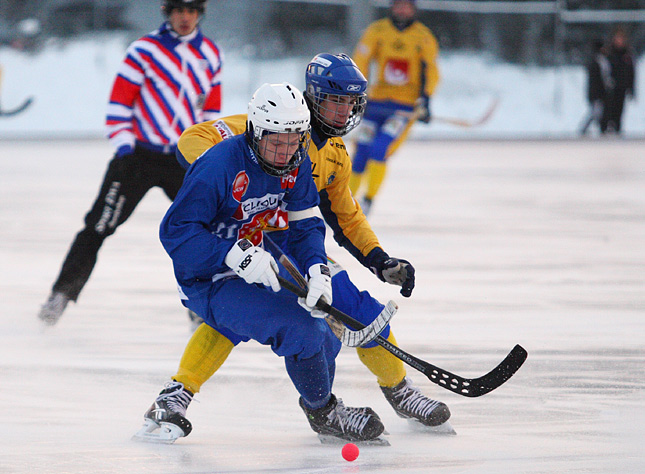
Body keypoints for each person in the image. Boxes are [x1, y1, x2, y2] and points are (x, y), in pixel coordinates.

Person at [137, 54, 450, 444]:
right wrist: (226, 185)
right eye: (335, 100)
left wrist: (374, 259)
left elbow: (339, 217)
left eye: (351, 103)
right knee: (246, 317)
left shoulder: (330, 155)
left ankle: (395, 391)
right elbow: (192, 145)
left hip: (289, 247)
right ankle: (186, 391)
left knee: (356, 310)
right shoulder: (252, 131)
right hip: (234, 244)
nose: (343, 111)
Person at [38, 0, 222, 325]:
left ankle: (200, 306)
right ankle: (61, 295)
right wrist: (125, 149)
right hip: (137, 157)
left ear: (200, 13)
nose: (185, 17)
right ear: (167, 12)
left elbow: (210, 114)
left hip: (183, 161)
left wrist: (207, 155)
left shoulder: (210, 54)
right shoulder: (144, 50)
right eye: (179, 10)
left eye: (191, 10)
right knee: (98, 225)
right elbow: (119, 106)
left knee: (202, 230)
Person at [349, 0, 439, 214]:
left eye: (407, 5)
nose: (402, 10)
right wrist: (358, 91)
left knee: (380, 149)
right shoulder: (377, 31)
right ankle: (346, 201)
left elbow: (431, 70)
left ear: (414, 9)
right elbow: (360, 60)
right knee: (361, 151)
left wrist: (425, 100)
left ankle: (369, 199)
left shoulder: (423, 36)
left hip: (403, 108)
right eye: (398, 5)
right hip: (376, 103)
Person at [602, 27, 635, 134]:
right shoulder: (609, 53)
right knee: (608, 109)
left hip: (622, 86)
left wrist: (631, 87)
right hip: (610, 87)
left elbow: (631, 72)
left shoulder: (627, 54)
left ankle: (617, 128)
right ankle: (606, 127)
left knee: (619, 109)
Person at [580, 39, 612, 136]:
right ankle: (587, 129)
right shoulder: (597, 61)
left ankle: (603, 128)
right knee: (596, 113)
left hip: (600, 92)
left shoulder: (601, 60)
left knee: (598, 112)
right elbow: (597, 79)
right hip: (597, 92)